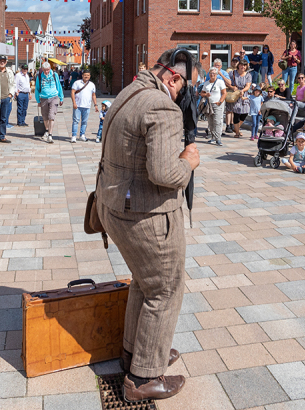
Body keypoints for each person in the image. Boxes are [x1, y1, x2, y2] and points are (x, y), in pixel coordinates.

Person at [97, 48, 200, 402]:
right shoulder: (161, 105)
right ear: (173, 78)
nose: (183, 97)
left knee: (144, 282)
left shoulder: (129, 91)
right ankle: (143, 377)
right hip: (145, 215)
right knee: (165, 289)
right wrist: (189, 161)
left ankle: (136, 353)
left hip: (114, 205)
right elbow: (164, 173)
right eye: (184, 88)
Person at [34, 61, 64, 144]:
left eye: (47, 70)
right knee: (45, 116)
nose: (46, 72)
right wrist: (38, 100)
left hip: (54, 97)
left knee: (51, 116)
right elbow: (37, 88)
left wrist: (61, 98)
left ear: (50, 69)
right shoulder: (39, 76)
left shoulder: (55, 75)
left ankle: (50, 135)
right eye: (44, 70)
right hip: (43, 98)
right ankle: (46, 130)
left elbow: (59, 86)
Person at [70, 69, 99, 143]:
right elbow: (73, 92)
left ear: (90, 76)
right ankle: (74, 136)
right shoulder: (77, 83)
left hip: (87, 106)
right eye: (85, 75)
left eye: (88, 75)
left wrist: (95, 105)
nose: (86, 76)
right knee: (76, 121)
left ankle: (82, 135)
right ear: (82, 75)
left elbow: (93, 95)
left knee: (84, 121)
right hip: (78, 105)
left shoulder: (92, 84)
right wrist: (74, 103)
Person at [200, 67, 226, 146]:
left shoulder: (220, 82)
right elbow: (202, 93)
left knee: (217, 122)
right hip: (209, 105)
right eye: (210, 73)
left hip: (217, 104)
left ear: (217, 74)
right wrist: (206, 94)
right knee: (210, 122)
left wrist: (220, 101)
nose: (212, 75)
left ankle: (218, 139)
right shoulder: (206, 83)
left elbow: (224, 93)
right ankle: (213, 137)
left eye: (214, 73)